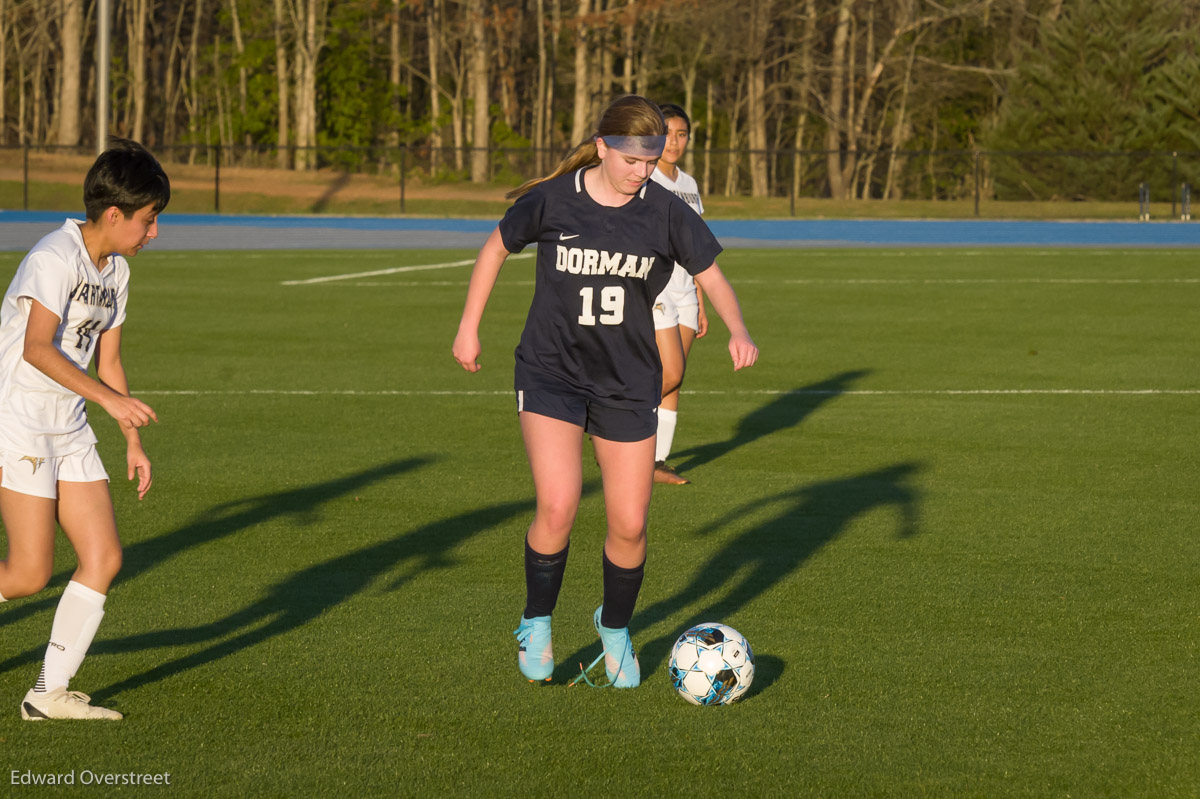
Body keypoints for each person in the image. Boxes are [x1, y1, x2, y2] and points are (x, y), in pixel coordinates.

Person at [452, 95, 758, 688]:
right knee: (559, 505)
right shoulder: (553, 200)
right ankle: (536, 621)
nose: (642, 172)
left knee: (629, 523)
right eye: (631, 160)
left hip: (625, 380)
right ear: (602, 147)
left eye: (650, 161)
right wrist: (469, 327)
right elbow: (494, 249)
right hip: (551, 372)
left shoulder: (664, 212)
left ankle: (613, 628)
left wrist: (738, 329)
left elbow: (711, 274)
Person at [0, 138, 168, 720]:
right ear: (115, 214)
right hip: (19, 419)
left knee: (103, 557)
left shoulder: (116, 271)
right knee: (27, 574)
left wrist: (133, 440)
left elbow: (110, 363)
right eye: (149, 221)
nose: (154, 234)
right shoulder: (54, 256)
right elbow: (37, 349)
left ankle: (46, 695)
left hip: (68, 425)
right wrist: (111, 404)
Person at [649, 103, 707, 485]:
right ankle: (615, 428)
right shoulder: (645, 177)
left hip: (686, 291)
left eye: (682, 134)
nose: (675, 141)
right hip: (655, 288)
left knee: (675, 378)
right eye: (668, 133)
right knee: (667, 372)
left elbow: (700, 244)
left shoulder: (688, 184)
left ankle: (655, 462)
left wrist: (701, 299)